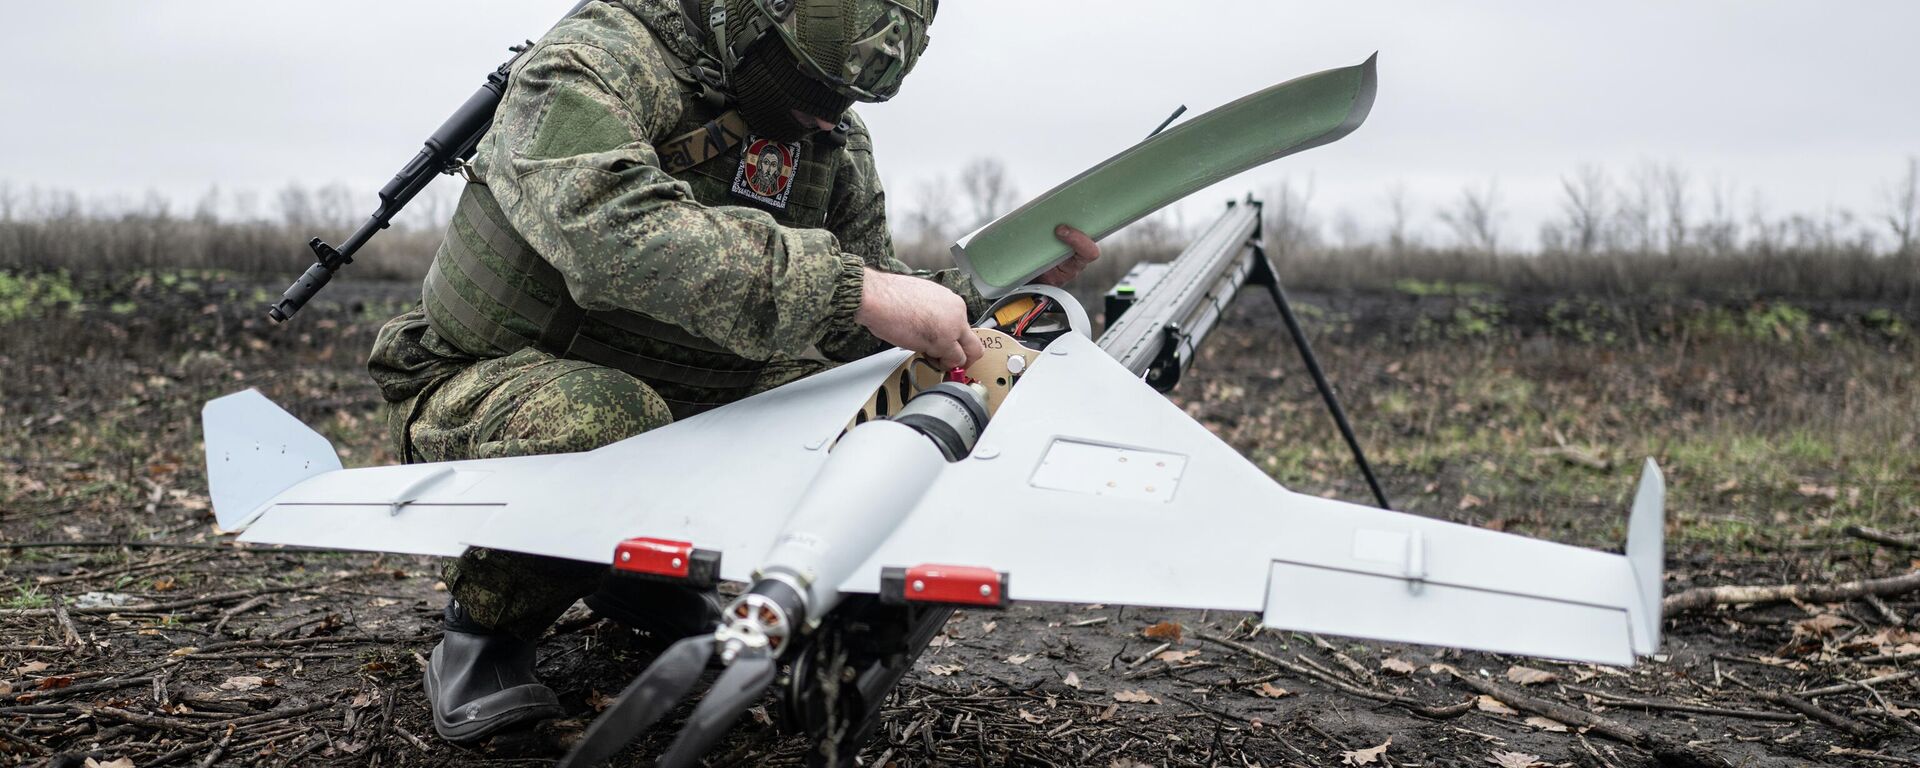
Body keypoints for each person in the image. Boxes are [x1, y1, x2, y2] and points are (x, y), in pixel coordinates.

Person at [364, 0, 1099, 744]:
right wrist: (861, 293)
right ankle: (486, 632)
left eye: (845, 98)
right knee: (605, 419)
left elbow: (869, 307)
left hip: (685, 395)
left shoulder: (830, 134)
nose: (824, 117)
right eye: (807, 87)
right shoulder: (597, 57)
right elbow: (611, 236)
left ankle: (647, 578)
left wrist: (981, 300)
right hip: (483, 382)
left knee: (859, 412)